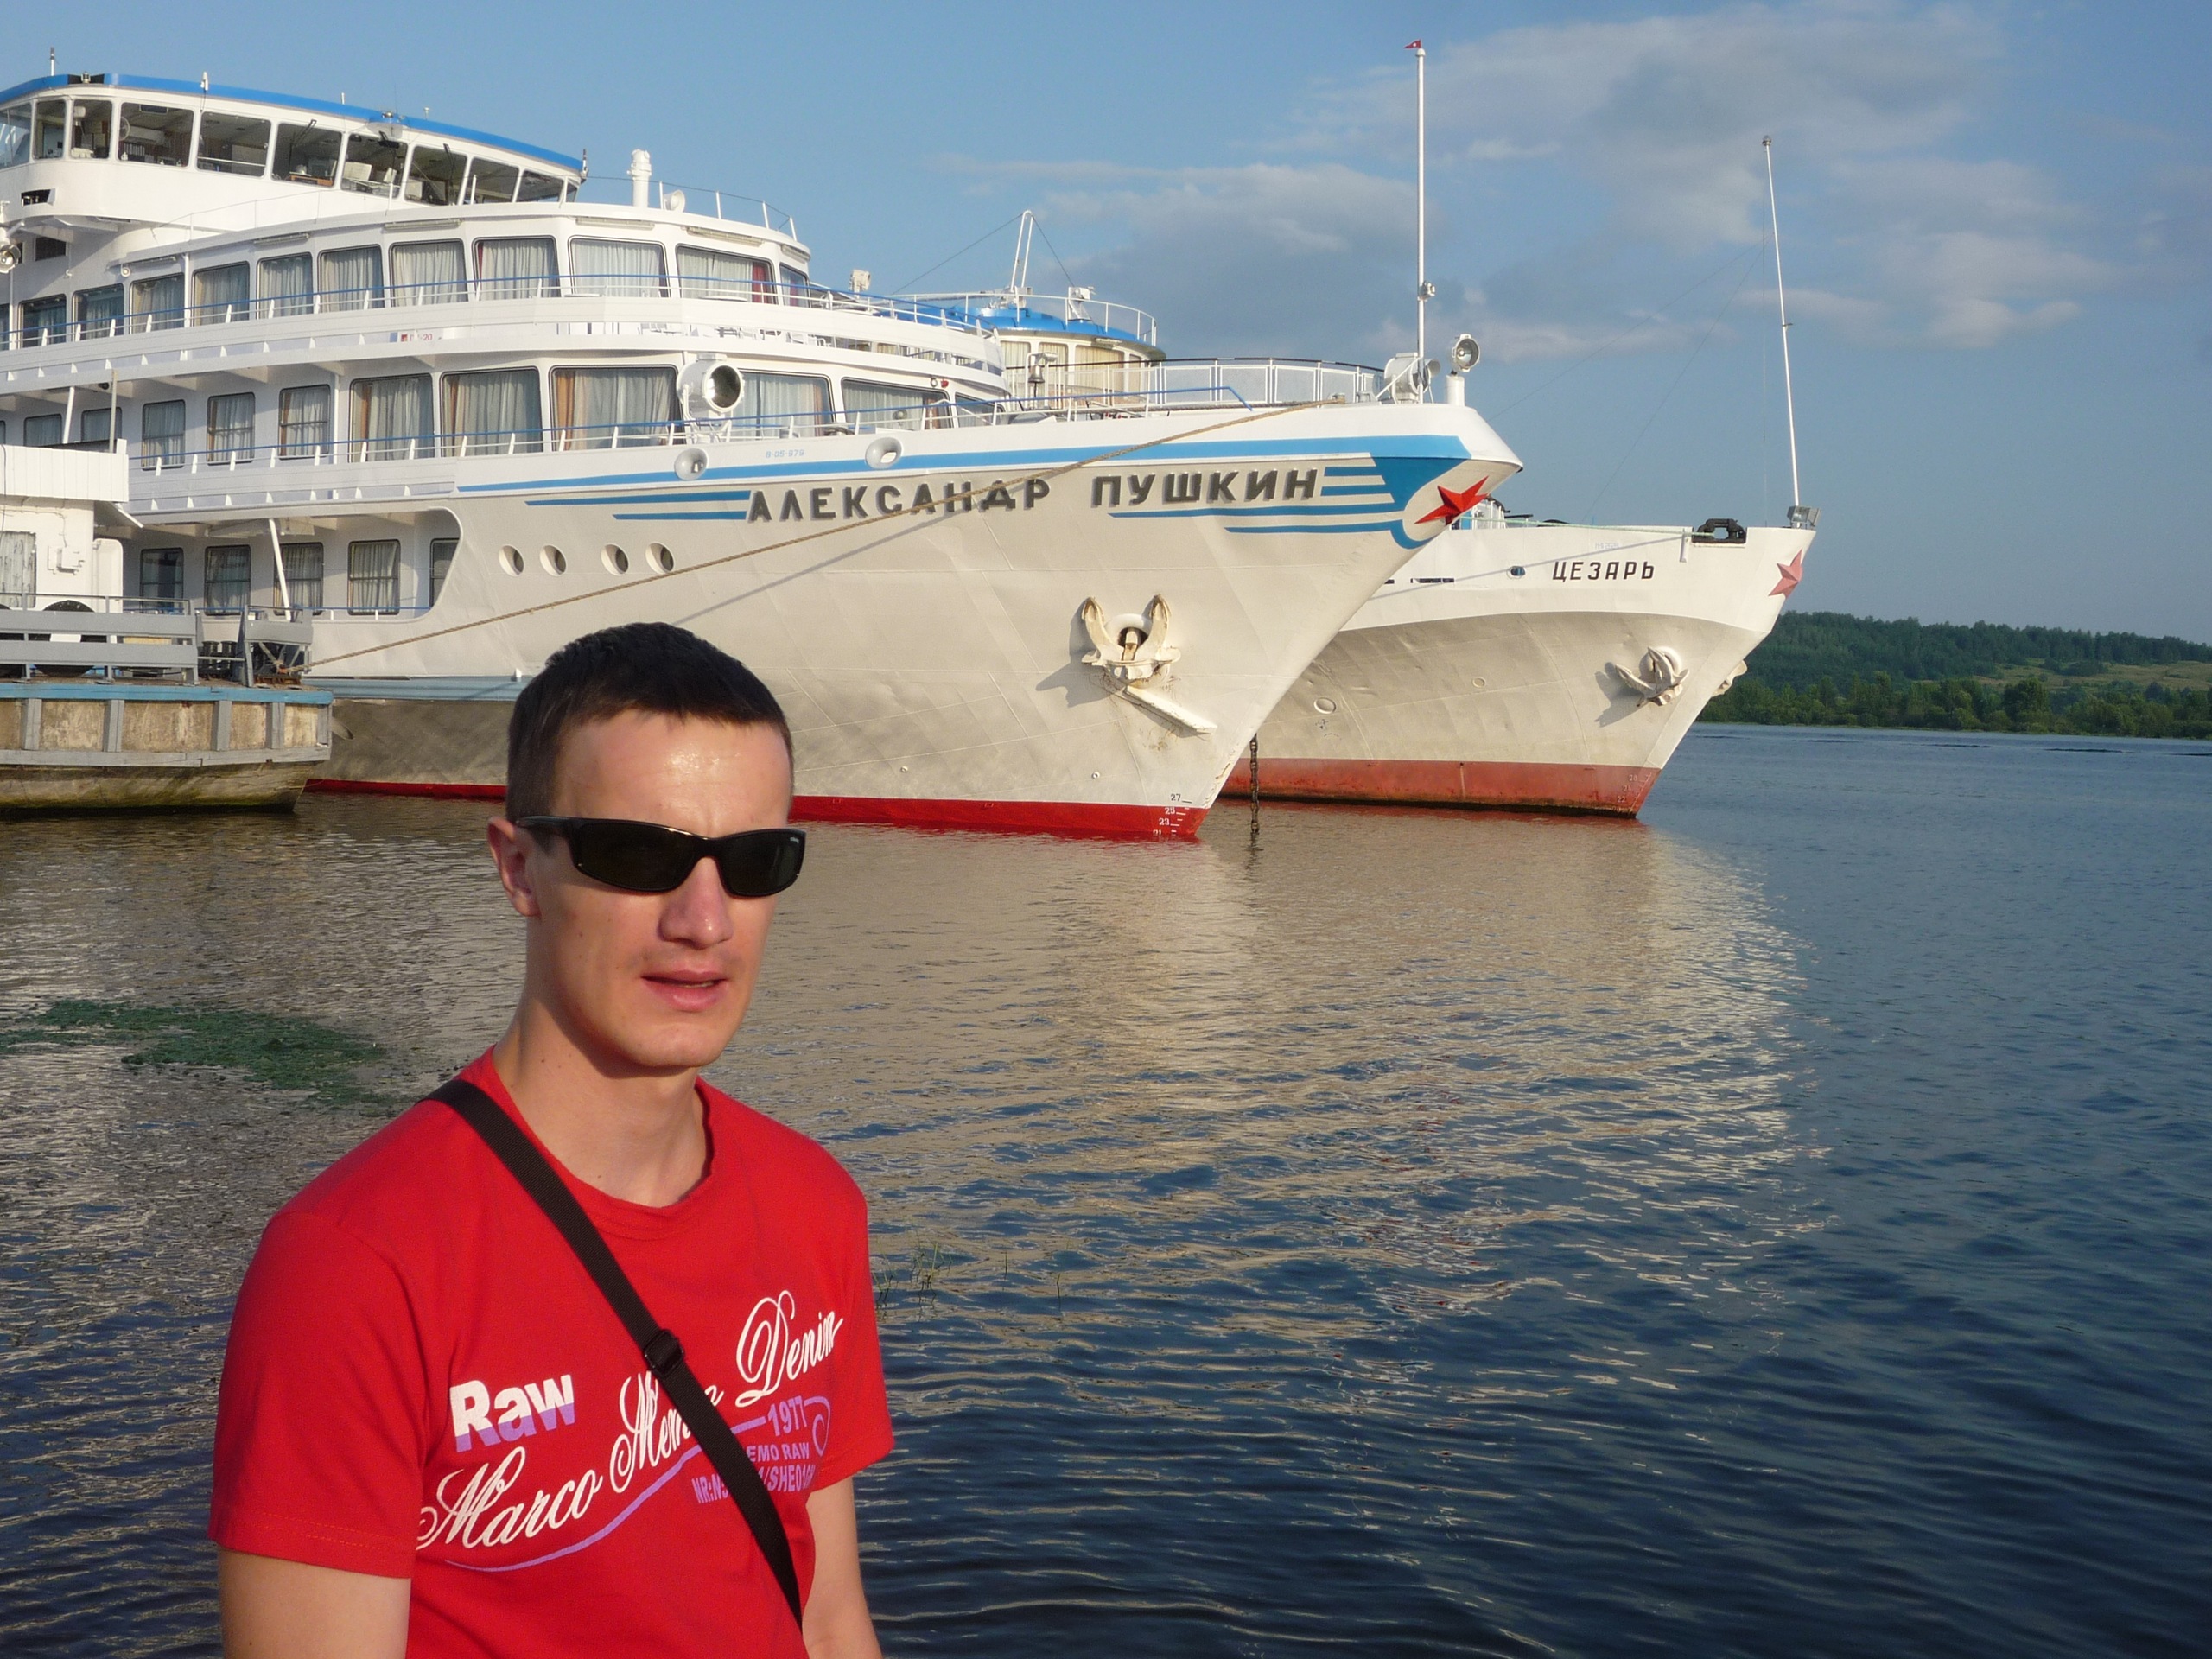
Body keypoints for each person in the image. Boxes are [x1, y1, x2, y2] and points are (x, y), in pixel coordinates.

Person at [210, 623, 890, 1658]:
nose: (705, 921)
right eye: (639, 855)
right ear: (519, 869)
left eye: (754, 862)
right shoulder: (354, 1267)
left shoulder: (813, 1204)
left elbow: (828, 1616)